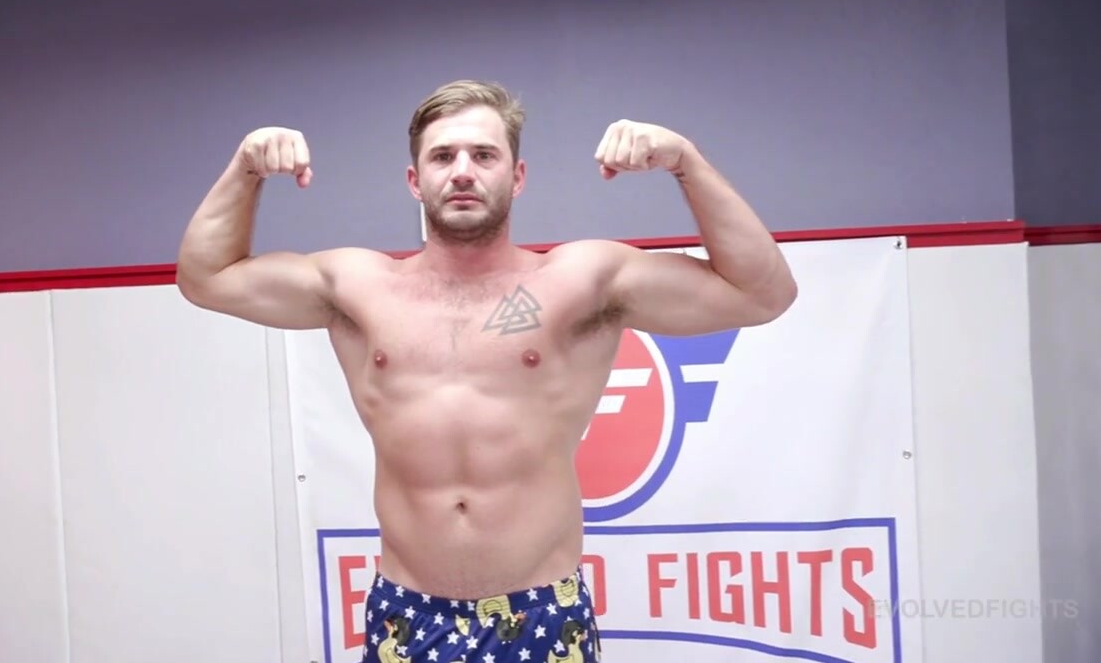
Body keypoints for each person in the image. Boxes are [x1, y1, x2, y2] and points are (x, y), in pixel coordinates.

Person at [176, 80, 797, 662]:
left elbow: (763, 294)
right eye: (443, 156)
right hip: (408, 616)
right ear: (415, 181)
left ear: (517, 176)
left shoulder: (580, 281)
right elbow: (206, 278)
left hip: (543, 615)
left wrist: (686, 162)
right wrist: (246, 168)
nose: (463, 171)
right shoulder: (358, 287)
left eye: (484, 155)